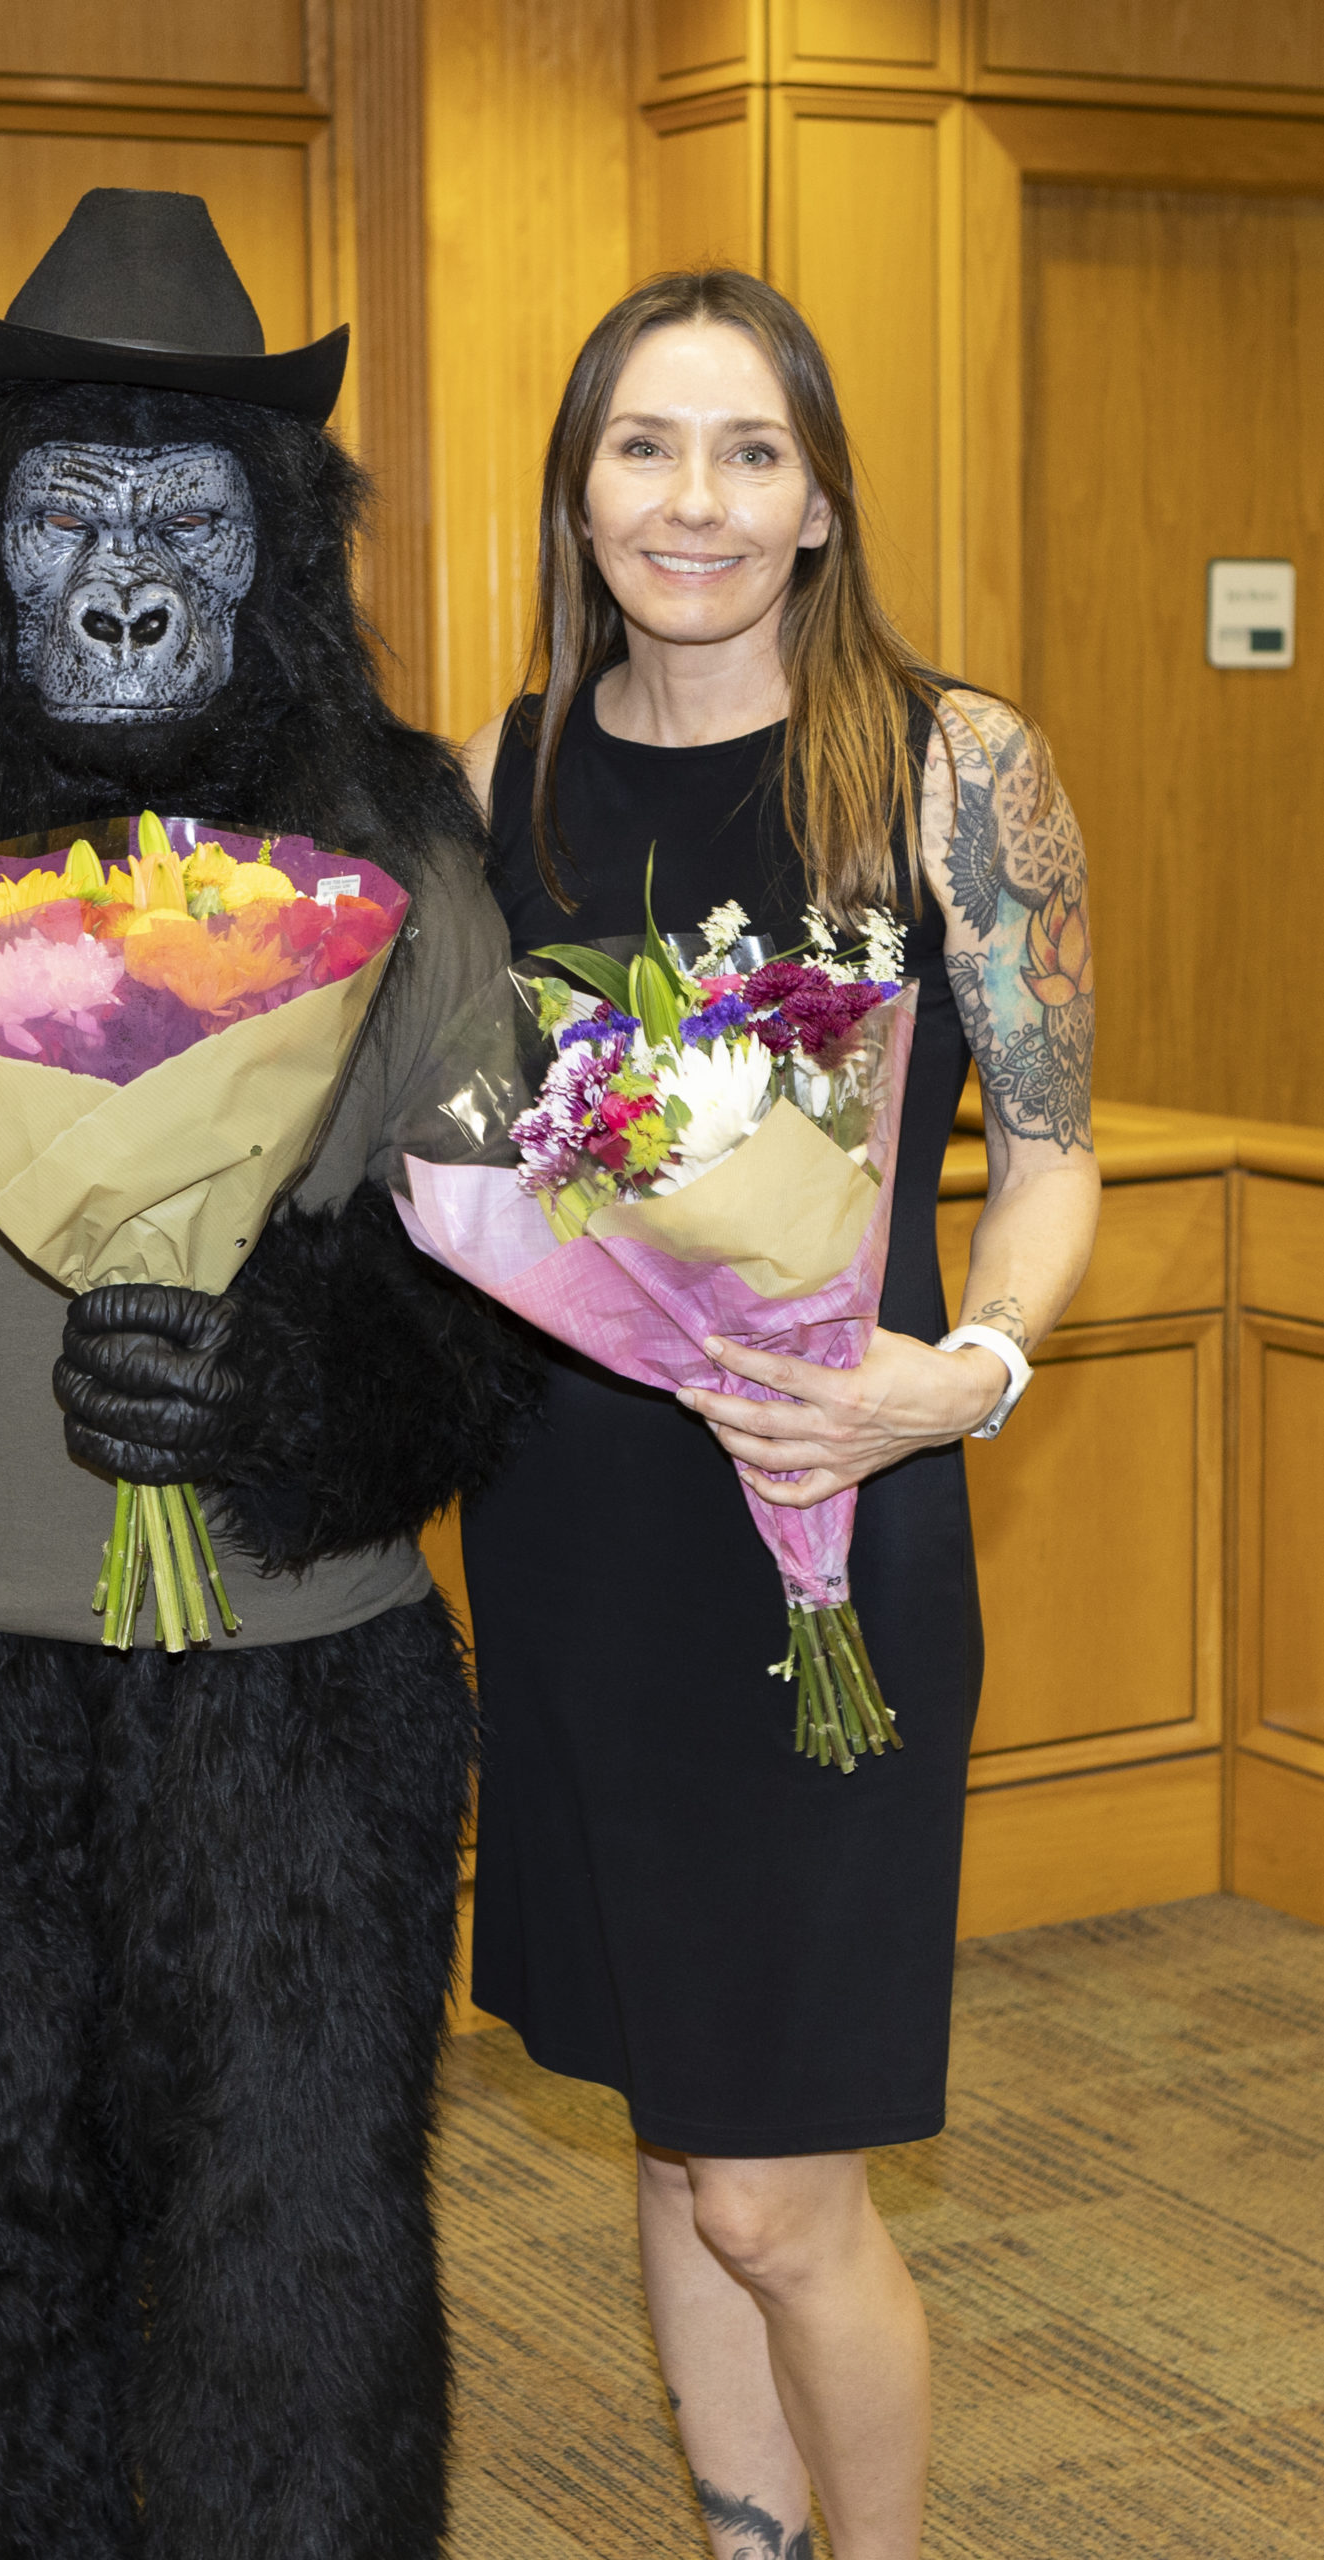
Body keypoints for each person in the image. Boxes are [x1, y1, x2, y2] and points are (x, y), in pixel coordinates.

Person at [0, 191, 534, 2560]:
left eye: (180, 527)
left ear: (275, 561)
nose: (119, 587)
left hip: (292, 1685)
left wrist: (305, 1384)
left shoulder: (394, 832)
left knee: (293, 2248)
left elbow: (507, 1276)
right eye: (67, 518)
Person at [458, 268, 1099, 2560]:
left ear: (820, 496)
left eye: (747, 451)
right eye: (645, 446)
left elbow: (1050, 1154)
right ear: (581, 483)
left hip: (842, 1515)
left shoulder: (950, 765)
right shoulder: (496, 775)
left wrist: (969, 1370)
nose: (694, 499)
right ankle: (746, 2538)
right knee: (665, 2118)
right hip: (576, 1557)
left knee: (772, 2181)